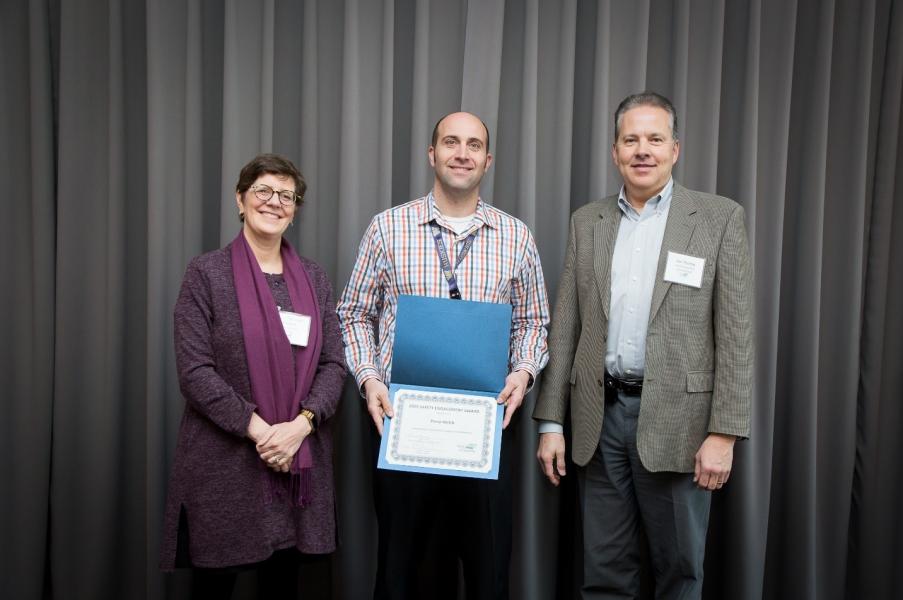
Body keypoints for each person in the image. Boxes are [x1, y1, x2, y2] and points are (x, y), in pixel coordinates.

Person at [533, 92, 753, 599]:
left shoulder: (719, 219)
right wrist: (550, 421)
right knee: (604, 575)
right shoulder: (587, 222)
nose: (642, 150)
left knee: (679, 574)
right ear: (615, 152)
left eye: (655, 139)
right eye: (631, 139)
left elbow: (737, 336)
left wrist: (725, 433)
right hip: (599, 421)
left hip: (682, 425)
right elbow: (565, 325)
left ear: (675, 149)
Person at [337, 112, 550, 600]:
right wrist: (370, 381)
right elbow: (352, 314)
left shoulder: (515, 236)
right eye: (450, 142)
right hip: (401, 423)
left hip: (486, 429)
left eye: (473, 145)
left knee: (488, 571)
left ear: (488, 161)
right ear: (432, 155)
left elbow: (534, 322)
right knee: (399, 571)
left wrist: (522, 375)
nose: (462, 152)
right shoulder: (387, 228)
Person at [159, 154, 346, 598]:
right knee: (214, 588)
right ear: (240, 199)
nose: (274, 202)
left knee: (284, 585)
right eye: (263, 191)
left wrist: (300, 427)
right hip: (226, 467)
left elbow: (335, 364)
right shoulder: (205, 274)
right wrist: (266, 434)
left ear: (295, 208)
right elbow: (194, 371)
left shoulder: (315, 279)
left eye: (286, 195)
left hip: (299, 464)